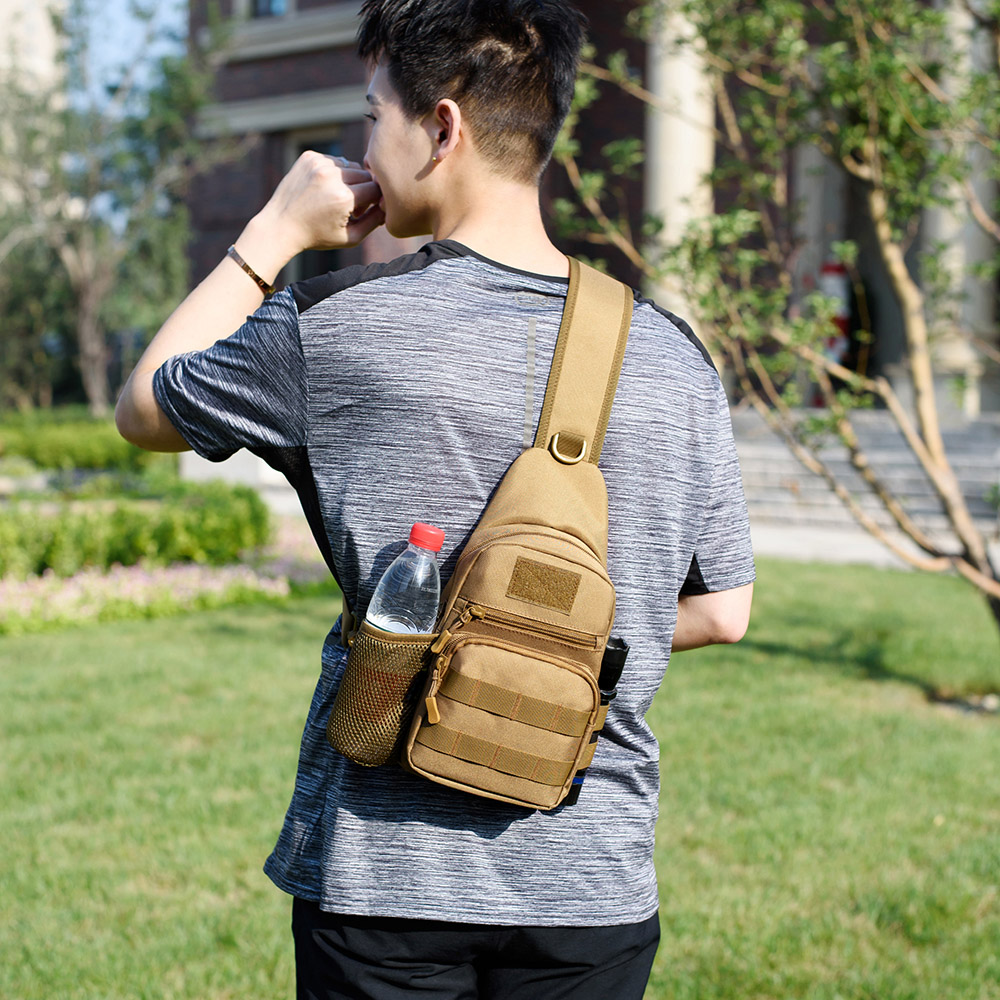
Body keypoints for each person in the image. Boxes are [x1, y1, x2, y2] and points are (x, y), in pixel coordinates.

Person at [115, 0, 755, 996]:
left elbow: (143, 407)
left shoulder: (333, 329)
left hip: (385, 881)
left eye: (375, 116)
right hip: (590, 882)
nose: (364, 147)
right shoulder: (673, 356)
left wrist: (273, 231)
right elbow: (723, 611)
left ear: (442, 127)